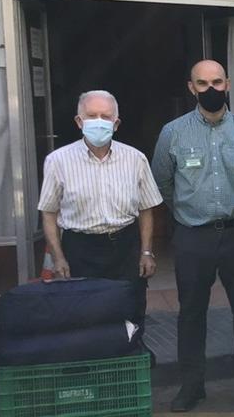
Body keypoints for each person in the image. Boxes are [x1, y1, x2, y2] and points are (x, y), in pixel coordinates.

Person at [153, 60, 234, 413]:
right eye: (202, 84)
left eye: (217, 82)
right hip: (193, 238)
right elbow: (163, 183)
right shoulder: (173, 133)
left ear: (227, 83)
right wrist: (187, 215)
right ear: (191, 88)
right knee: (191, 315)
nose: (211, 89)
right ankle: (192, 386)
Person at [38, 90, 162, 322]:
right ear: (79, 121)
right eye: (91, 115)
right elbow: (49, 213)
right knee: (83, 315)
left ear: (116, 124)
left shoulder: (136, 159)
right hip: (80, 249)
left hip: (125, 247)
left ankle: (130, 353)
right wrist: (58, 257)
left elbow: (146, 209)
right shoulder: (58, 161)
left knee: (130, 312)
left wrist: (146, 252)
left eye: (105, 117)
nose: (98, 122)